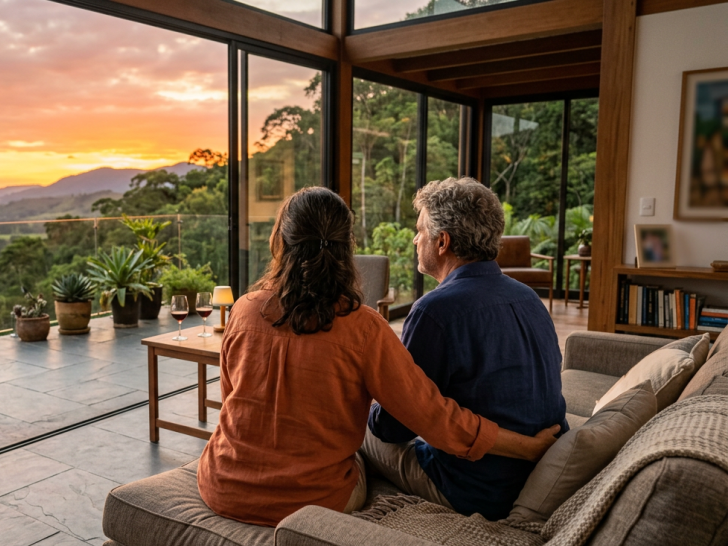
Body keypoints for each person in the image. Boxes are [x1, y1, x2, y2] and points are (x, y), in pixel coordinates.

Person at [196, 186, 560, 527]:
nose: (415, 239)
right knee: (359, 434)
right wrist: (527, 447)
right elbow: (435, 418)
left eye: (419, 230)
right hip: (316, 500)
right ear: (345, 247)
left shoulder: (243, 311)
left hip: (221, 486)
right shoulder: (364, 327)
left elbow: (234, 403)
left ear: (280, 240)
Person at [363, 177, 568, 521]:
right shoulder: (529, 297)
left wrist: (369, 400)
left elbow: (393, 428)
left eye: (420, 230)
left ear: (441, 241)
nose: (415, 239)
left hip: (475, 487)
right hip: (535, 472)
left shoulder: (435, 310)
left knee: (359, 431)